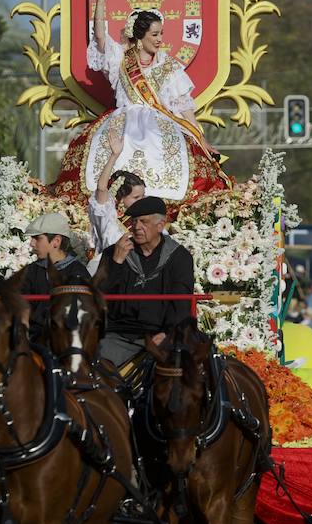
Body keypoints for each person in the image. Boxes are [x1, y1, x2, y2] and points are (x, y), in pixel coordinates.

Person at [74, 0, 228, 203]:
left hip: (161, 127)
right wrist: (101, 1)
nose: (159, 40)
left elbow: (185, 109)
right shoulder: (120, 61)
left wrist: (200, 138)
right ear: (140, 36)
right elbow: (99, 36)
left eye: (161, 34)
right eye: (154, 35)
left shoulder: (168, 65)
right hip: (123, 123)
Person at [96, 196, 196, 370]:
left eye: (143, 222)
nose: (136, 227)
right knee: (94, 367)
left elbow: (181, 302)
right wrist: (116, 264)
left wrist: (167, 333)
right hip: (119, 335)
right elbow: (96, 297)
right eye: (134, 222)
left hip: (162, 335)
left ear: (160, 225)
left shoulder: (179, 257)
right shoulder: (114, 252)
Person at [17, 211, 94, 343]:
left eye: (37, 238)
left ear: (56, 241)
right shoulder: (31, 271)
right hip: (31, 339)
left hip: (63, 342)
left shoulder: (78, 274)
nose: (32, 244)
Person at [88, 129, 147, 272]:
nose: (142, 201)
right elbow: (102, 188)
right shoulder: (108, 218)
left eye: (143, 196)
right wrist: (114, 155)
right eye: (136, 197)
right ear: (121, 198)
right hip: (108, 272)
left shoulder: (145, 219)